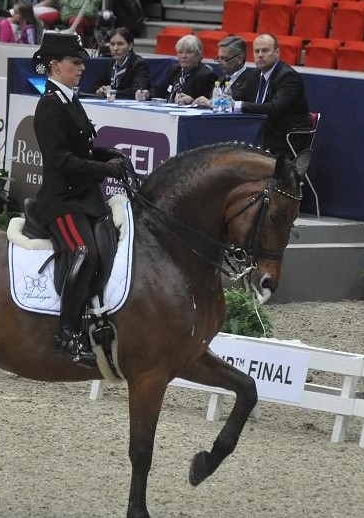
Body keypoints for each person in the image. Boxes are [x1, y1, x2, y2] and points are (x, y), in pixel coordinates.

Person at [30, 32, 129, 367]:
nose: (82, 68)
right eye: (75, 62)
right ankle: (67, 334)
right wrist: (104, 169)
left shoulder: (70, 99)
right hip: (62, 200)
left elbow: (82, 149)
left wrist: (109, 154)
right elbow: (60, 159)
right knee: (83, 252)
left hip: (85, 197)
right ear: (55, 65)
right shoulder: (49, 104)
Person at [236, 33, 312, 158]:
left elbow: (274, 108)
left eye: (265, 50)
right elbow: (236, 97)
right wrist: (218, 100)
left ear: (277, 52)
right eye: (256, 51)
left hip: (284, 139)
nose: (260, 55)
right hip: (261, 134)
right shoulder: (255, 74)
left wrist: (239, 105)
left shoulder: (288, 77)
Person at [136, 34, 216, 105]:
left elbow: (207, 103)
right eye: (180, 52)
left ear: (199, 55)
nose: (183, 56)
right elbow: (160, 91)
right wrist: (147, 94)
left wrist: (192, 101)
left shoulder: (206, 75)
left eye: (189, 52)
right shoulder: (174, 69)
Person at [193, 35, 257, 108]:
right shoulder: (220, 80)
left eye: (224, 58)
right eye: (219, 58)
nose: (219, 62)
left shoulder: (250, 80)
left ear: (239, 59)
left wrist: (209, 103)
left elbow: (232, 103)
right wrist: (193, 101)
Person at [92, 27, 151, 100]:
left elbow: (137, 91)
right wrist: (100, 90)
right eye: (112, 44)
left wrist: (113, 92)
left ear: (130, 46)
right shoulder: (111, 62)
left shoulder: (139, 64)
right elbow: (95, 86)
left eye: (120, 44)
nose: (115, 48)